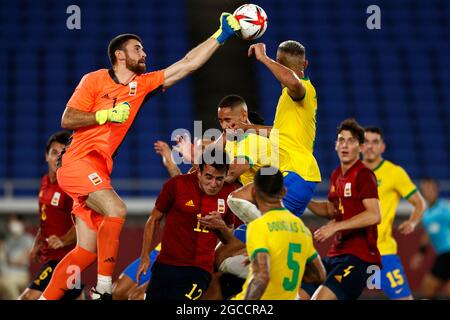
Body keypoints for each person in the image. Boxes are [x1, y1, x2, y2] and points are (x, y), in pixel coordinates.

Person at [39, 14, 241, 300]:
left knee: (85, 250)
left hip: (99, 167)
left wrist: (220, 35)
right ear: (119, 55)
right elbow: (67, 118)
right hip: (77, 160)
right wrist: (105, 114)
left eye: (144, 49)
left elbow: (186, 64)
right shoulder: (94, 80)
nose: (144, 53)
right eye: (138, 49)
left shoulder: (142, 85)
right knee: (117, 209)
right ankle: (103, 289)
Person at [228, 40, 320, 222]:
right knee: (230, 247)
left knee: (239, 200)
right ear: (306, 63)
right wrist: (249, 128)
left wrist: (263, 58)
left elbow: (294, 84)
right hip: (290, 173)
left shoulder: (302, 89)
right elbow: (279, 132)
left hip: (297, 173)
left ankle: (267, 228)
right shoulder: (289, 100)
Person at [138, 150, 236, 300]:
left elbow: (229, 239)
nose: (213, 184)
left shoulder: (230, 193)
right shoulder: (177, 184)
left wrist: (221, 227)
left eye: (219, 179)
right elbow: (154, 219)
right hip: (166, 264)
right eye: (209, 177)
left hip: (200, 270)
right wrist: (144, 256)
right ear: (199, 171)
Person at [307, 119, 382, 300]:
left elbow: (374, 215)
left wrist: (335, 227)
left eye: (351, 141)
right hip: (336, 254)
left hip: (360, 258)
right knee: (298, 289)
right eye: (341, 140)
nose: (345, 145)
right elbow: (332, 210)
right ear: (335, 145)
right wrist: (304, 200)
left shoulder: (363, 174)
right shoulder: (336, 175)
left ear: (361, 147)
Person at [233, 167, 325, 300]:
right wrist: (282, 267)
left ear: (253, 192)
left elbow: (261, 276)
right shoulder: (301, 227)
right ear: (284, 192)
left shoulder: (259, 226)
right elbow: (319, 275)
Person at [362, 126, 426, 300]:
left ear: (382, 147)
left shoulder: (394, 173)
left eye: (375, 142)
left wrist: (412, 222)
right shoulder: (349, 172)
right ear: (360, 146)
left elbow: (419, 202)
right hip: (354, 252)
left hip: (383, 252)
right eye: (366, 142)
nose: (370, 146)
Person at [18, 131, 82, 300]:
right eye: (54, 152)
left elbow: (83, 224)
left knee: (27, 297)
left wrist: (63, 240)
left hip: (62, 259)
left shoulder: (71, 187)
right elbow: (45, 219)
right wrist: (37, 243)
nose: (58, 157)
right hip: (54, 258)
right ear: (46, 156)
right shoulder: (45, 182)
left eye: (63, 152)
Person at [112, 141, 178, 300]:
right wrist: (169, 160)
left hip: (182, 260)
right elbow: (179, 181)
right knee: (117, 292)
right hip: (161, 250)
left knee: (138, 297)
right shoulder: (189, 185)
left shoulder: (219, 194)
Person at [410, 178, 450, 299]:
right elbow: (427, 234)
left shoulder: (445, 208)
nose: (428, 192)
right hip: (442, 255)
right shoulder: (426, 213)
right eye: (425, 190)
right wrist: (420, 254)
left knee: (429, 288)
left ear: (436, 190)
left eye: (431, 189)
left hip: (448, 252)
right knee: (428, 290)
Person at [0, 215, 33, 299]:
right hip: (4, 276)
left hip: (20, 275)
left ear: (22, 223)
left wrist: (10, 260)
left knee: (9, 285)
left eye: (16, 222)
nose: (13, 225)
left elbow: (23, 260)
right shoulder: (7, 239)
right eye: (11, 223)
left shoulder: (28, 239)